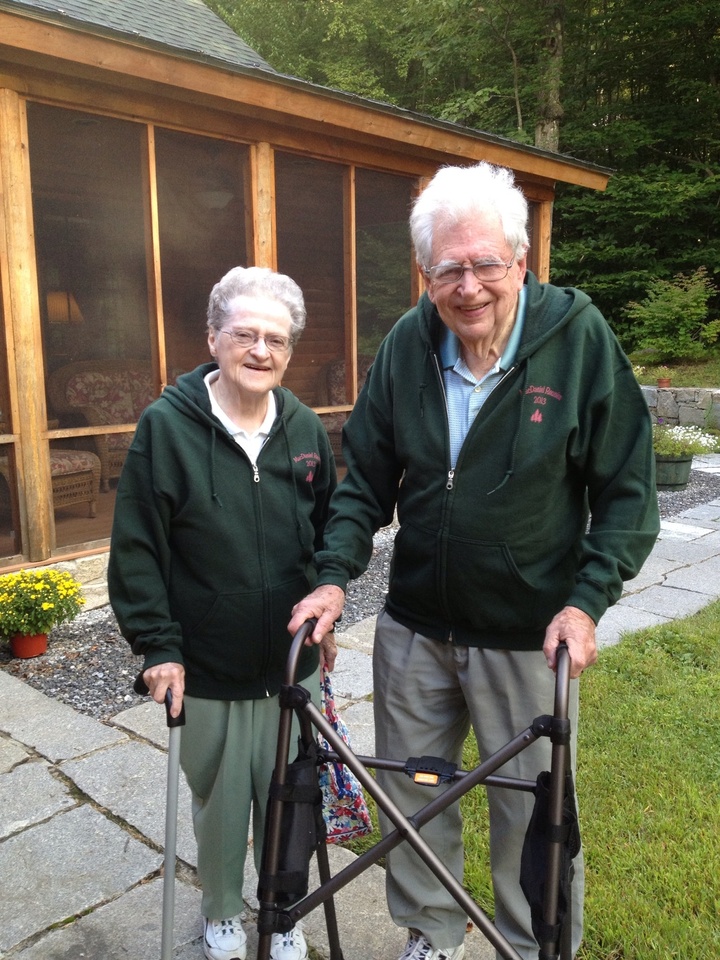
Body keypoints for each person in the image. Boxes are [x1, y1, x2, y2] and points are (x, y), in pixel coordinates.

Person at [289, 162, 660, 960]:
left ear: (521, 261)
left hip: (528, 633)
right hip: (417, 628)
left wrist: (586, 602)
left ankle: (533, 945)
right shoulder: (405, 346)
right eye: (448, 269)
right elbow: (366, 485)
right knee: (415, 792)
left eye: (486, 263)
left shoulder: (576, 338)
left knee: (533, 808)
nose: (469, 287)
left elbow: (628, 491)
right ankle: (432, 931)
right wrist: (331, 576)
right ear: (426, 275)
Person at [108, 266, 337, 960]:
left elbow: (330, 530)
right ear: (213, 337)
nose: (261, 350)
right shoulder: (166, 428)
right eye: (245, 334)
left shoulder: (304, 429)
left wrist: (329, 603)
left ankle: (284, 911)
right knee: (218, 804)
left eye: (277, 339)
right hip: (204, 663)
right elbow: (138, 549)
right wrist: (158, 646)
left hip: (287, 659)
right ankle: (220, 911)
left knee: (289, 800)